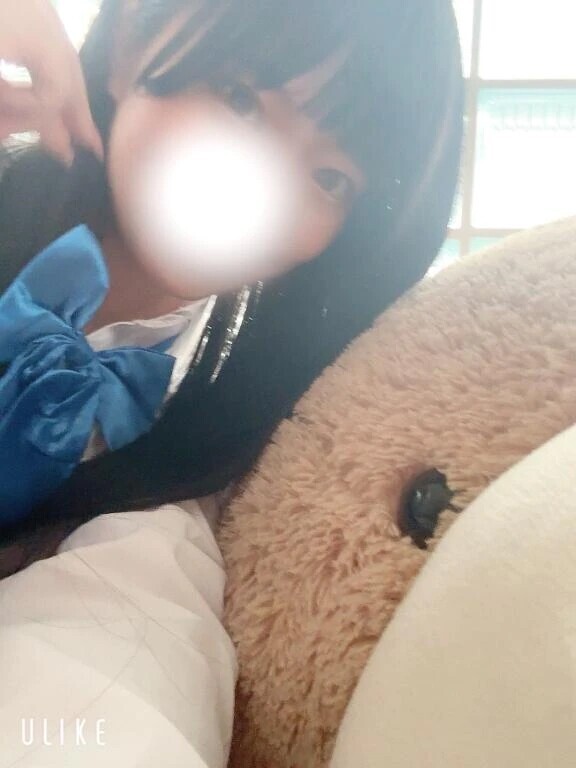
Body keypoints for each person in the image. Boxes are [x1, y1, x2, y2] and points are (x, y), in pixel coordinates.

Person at [0, 1, 463, 764]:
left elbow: (106, 682)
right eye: (241, 99)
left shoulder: (192, 471)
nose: (267, 187)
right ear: (130, 44)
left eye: (330, 178)